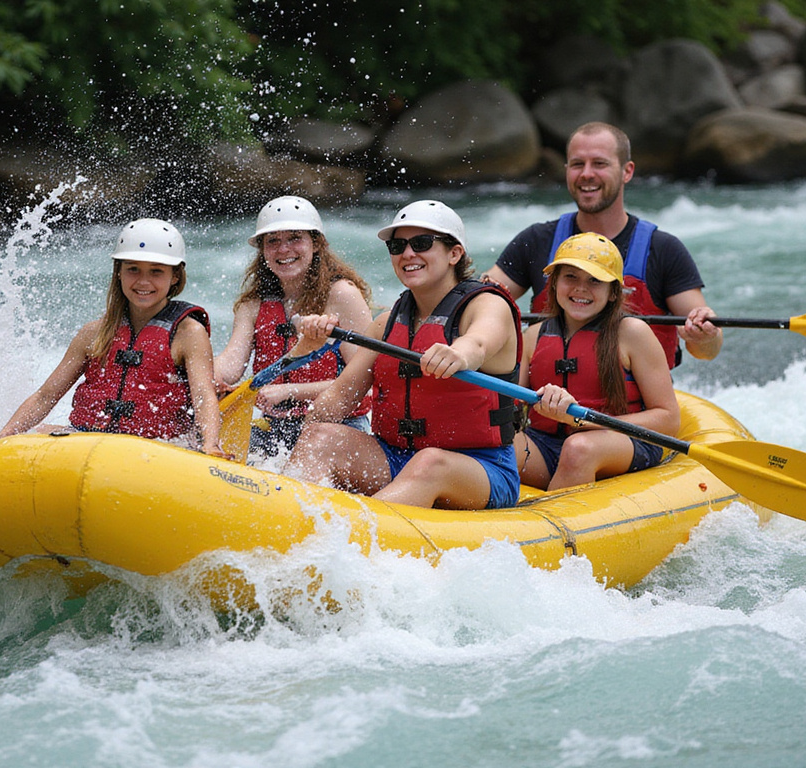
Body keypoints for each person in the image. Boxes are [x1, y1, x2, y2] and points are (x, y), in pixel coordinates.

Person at [284, 200, 522, 510]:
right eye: (398, 246)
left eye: (422, 243)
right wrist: (307, 349)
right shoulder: (385, 323)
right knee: (320, 438)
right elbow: (338, 399)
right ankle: (287, 518)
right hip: (396, 456)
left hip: (482, 469)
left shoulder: (487, 305)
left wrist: (458, 355)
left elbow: (478, 343)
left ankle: (347, 536)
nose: (408, 254)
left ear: (454, 253)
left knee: (429, 463)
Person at [0, 219, 224, 456]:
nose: (143, 281)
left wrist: (211, 445)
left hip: (155, 448)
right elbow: (45, 396)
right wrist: (3, 437)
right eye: (133, 269)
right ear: (119, 272)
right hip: (88, 439)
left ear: (175, 276)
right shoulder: (93, 333)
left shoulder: (188, 334)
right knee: (38, 434)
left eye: (156, 271)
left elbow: (203, 395)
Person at [482, 121, 722, 366]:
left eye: (599, 163)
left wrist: (704, 336)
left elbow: (707, 350)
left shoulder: (664, 249)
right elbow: (482, 301)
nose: (586, 173)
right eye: (577, 164)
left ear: (627, 171)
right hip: (547, 397)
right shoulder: (535, 240)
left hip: (638, 398)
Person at [514, 233, 680, 491]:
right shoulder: (534, 335)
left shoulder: (632, 333)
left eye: (595, 280)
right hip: (545, 444)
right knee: (499, 445)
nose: (581, 288)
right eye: (571, 276)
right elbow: (510, 406)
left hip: (621, 441)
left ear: (613, 292)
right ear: (554, 283)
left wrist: (582, 420)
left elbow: (669, 419)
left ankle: (553, 524)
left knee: (578, 448)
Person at [213, 196, 373, 457]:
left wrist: (292, 391)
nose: (283, 249)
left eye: (295, 238)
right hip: (273, 428)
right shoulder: (252, 305)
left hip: (337, 427)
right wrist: (207, 374)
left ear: (317, 244)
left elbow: (362, 381)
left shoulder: (342, 295)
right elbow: (231, 363)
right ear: (263, 250)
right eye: (273, 241)